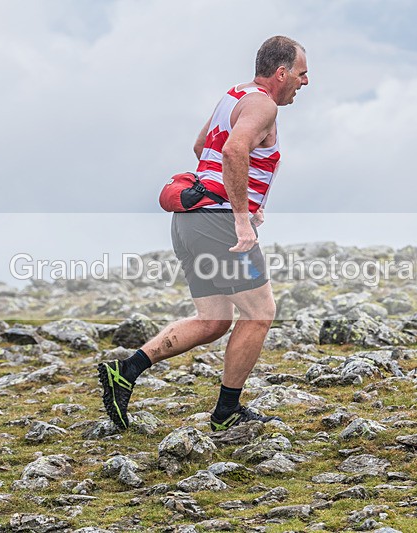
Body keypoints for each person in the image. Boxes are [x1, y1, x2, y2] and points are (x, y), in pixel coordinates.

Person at [98, 36, 309, 432]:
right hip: (218, 223)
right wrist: (241, 216)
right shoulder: (263, 105)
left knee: (213, 321)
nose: (305, 81)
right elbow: (233, 151)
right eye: (301, 73)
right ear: (281, 73)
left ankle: (125, 371)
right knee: (260, 314)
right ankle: (226, 412)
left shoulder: (234, 96)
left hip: (190, 221)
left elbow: (202, 148)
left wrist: (241, 196)